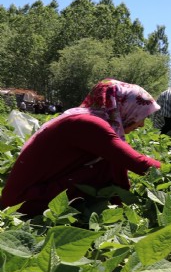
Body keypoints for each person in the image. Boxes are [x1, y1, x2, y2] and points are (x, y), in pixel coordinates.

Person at [0, 79, 162, 216]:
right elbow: (138, 164)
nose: (141, 124)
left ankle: (108, 206)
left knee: (104, 164)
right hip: (23, 202)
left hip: (30, 193)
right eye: (141, 116)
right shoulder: (88, 124)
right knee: (102, 167)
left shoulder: (87, 118)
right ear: (123, 106)